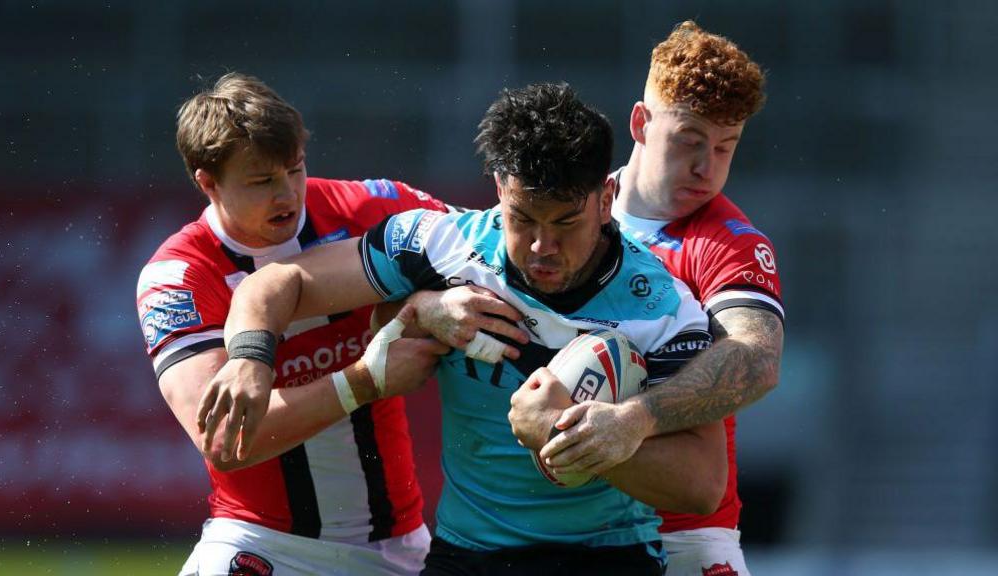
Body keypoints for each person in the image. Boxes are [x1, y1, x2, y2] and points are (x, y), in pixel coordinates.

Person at [199, 82, 728, 575]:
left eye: (565, 222)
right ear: (499, 189)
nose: (542, 247)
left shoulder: (661, 309)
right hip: (466, 557)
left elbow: (702, 484)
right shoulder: (443, 245)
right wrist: (249, 357)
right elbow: (278, 282)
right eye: (523, 218)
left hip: (610, 556)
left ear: (606, 200)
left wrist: (568, 434)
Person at [134, 72, 504, 576]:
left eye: (295, 169)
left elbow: (494, 252)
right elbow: (225, 441)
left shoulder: (371, 210)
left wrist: (430, 301)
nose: (287, 194)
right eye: (262, 181)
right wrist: (364, 381)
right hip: (261, 545)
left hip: (399, 549)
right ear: (208, 182)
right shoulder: (178, 276)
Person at [510, 21, 785, 576]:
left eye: (725, 147)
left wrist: (634, 421)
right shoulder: (568, 212)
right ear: (641, 123)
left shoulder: (728, 244)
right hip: (553, 535)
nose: (706, 167)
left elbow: (757, 359)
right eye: (689, 141)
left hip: (681, 542)